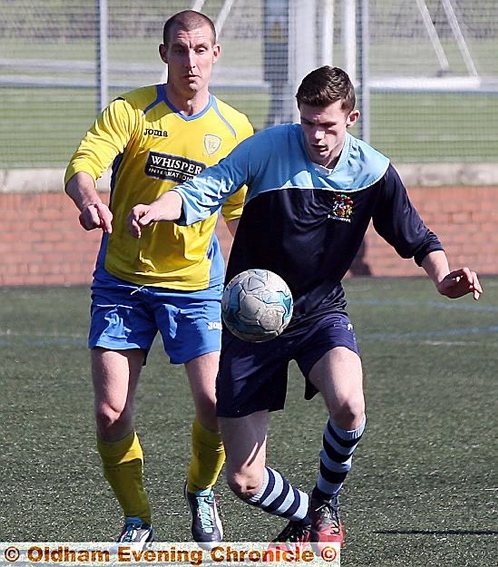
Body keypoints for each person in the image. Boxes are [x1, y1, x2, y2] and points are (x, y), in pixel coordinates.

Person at [126, 65, 482, 548]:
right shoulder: (269, 147)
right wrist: (158, 208)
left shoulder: (373, 170)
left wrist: (443, 278)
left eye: (328, 125)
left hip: (318, 313)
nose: (316, 135)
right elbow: (207, 188)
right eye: (308, 122)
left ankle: (327, 498)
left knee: (350, 406)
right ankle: (307, 513)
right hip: (250, 323)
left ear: (351, 117)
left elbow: (416, 237)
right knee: (244, 482)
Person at [64, 10, 253, 549]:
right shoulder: (131, 110)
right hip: (122, 282)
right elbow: (84, 162)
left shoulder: (235, 128)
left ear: (216, 54)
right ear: (163, 53)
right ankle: (137, 518)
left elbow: (237, 213)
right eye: (179, 49)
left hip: (196, 286)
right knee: (109, 410)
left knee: (215, 405)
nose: (189, 61)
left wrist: (263, 269)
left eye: (200, 49)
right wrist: (88, 198)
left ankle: (201, 491)